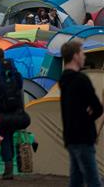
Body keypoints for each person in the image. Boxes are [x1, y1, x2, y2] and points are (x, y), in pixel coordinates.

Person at [60, 41, 103, 187]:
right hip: (84, 137)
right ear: (75, 56)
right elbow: (97, 108)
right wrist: (87, 118)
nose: (84, 56)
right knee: (93, 180)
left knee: (76, 180)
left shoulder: (63, 80)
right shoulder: (81, 80)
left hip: (70, 137)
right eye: (82, 53)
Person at [0, 48, 26, 180]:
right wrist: (21, 108)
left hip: (0, 110)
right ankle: (11, 167)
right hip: (15, 108)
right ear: (3, 56)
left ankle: (8, 168)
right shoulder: (13, 71)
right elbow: (20, 90)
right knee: (10, 135)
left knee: (4, 137)